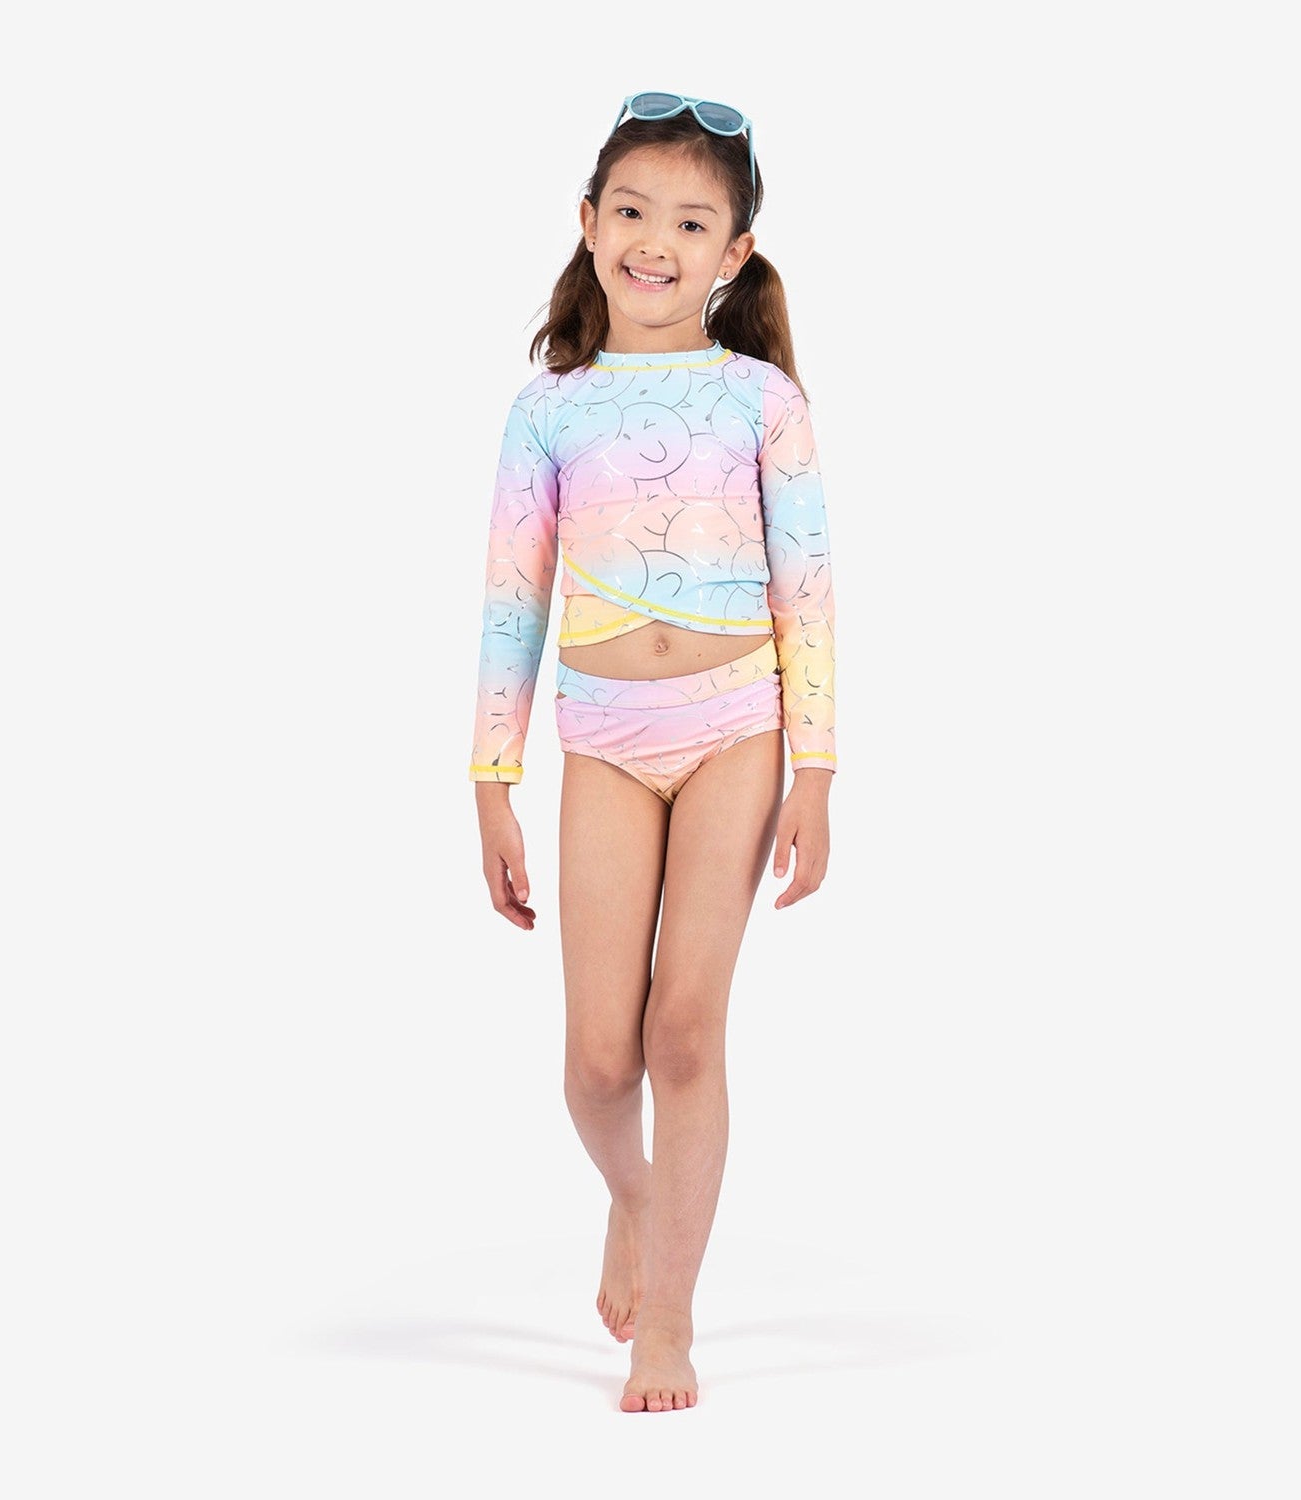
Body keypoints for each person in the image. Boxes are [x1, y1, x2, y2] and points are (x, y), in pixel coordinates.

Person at [468, 92, 837, 1413]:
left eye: (691, 223)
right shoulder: (549, 408)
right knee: (597, 1066)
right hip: (606, 743)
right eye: (631, 212)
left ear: (735, 251)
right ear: (588, 223)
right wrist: (492, 781)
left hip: (736, 727)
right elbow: (513, 600)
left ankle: (669, 1320)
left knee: (684, 1035)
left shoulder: (762, 399)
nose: (656, 242)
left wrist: (817, 771)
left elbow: (806, 587)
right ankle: (636, 1196)